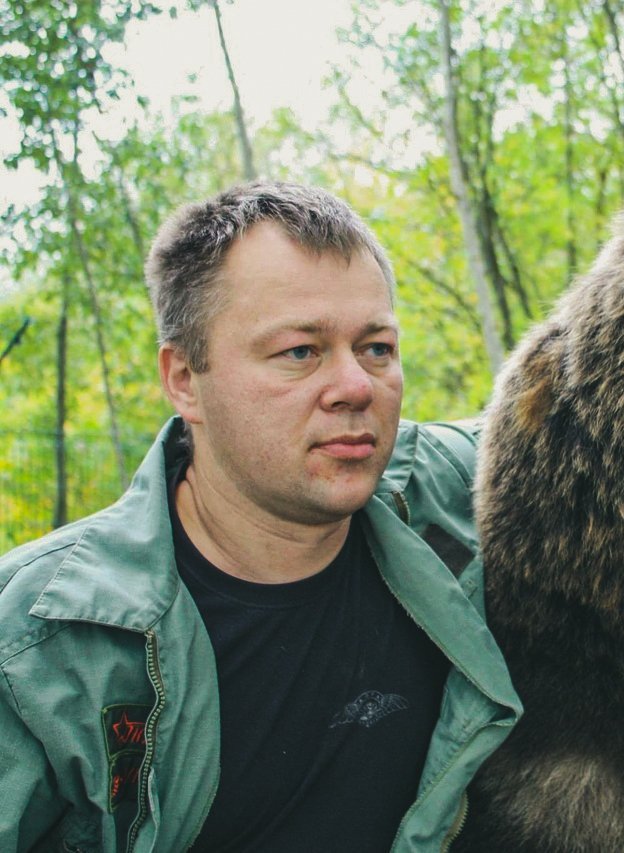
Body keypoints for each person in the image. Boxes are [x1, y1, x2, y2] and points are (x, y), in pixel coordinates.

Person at [0, 181, 521, 852]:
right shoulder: (39, 646)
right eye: (300, 352)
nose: (357, 386)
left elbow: (604, 413)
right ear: (185, 379)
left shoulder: (446, 494)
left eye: (377, 348)